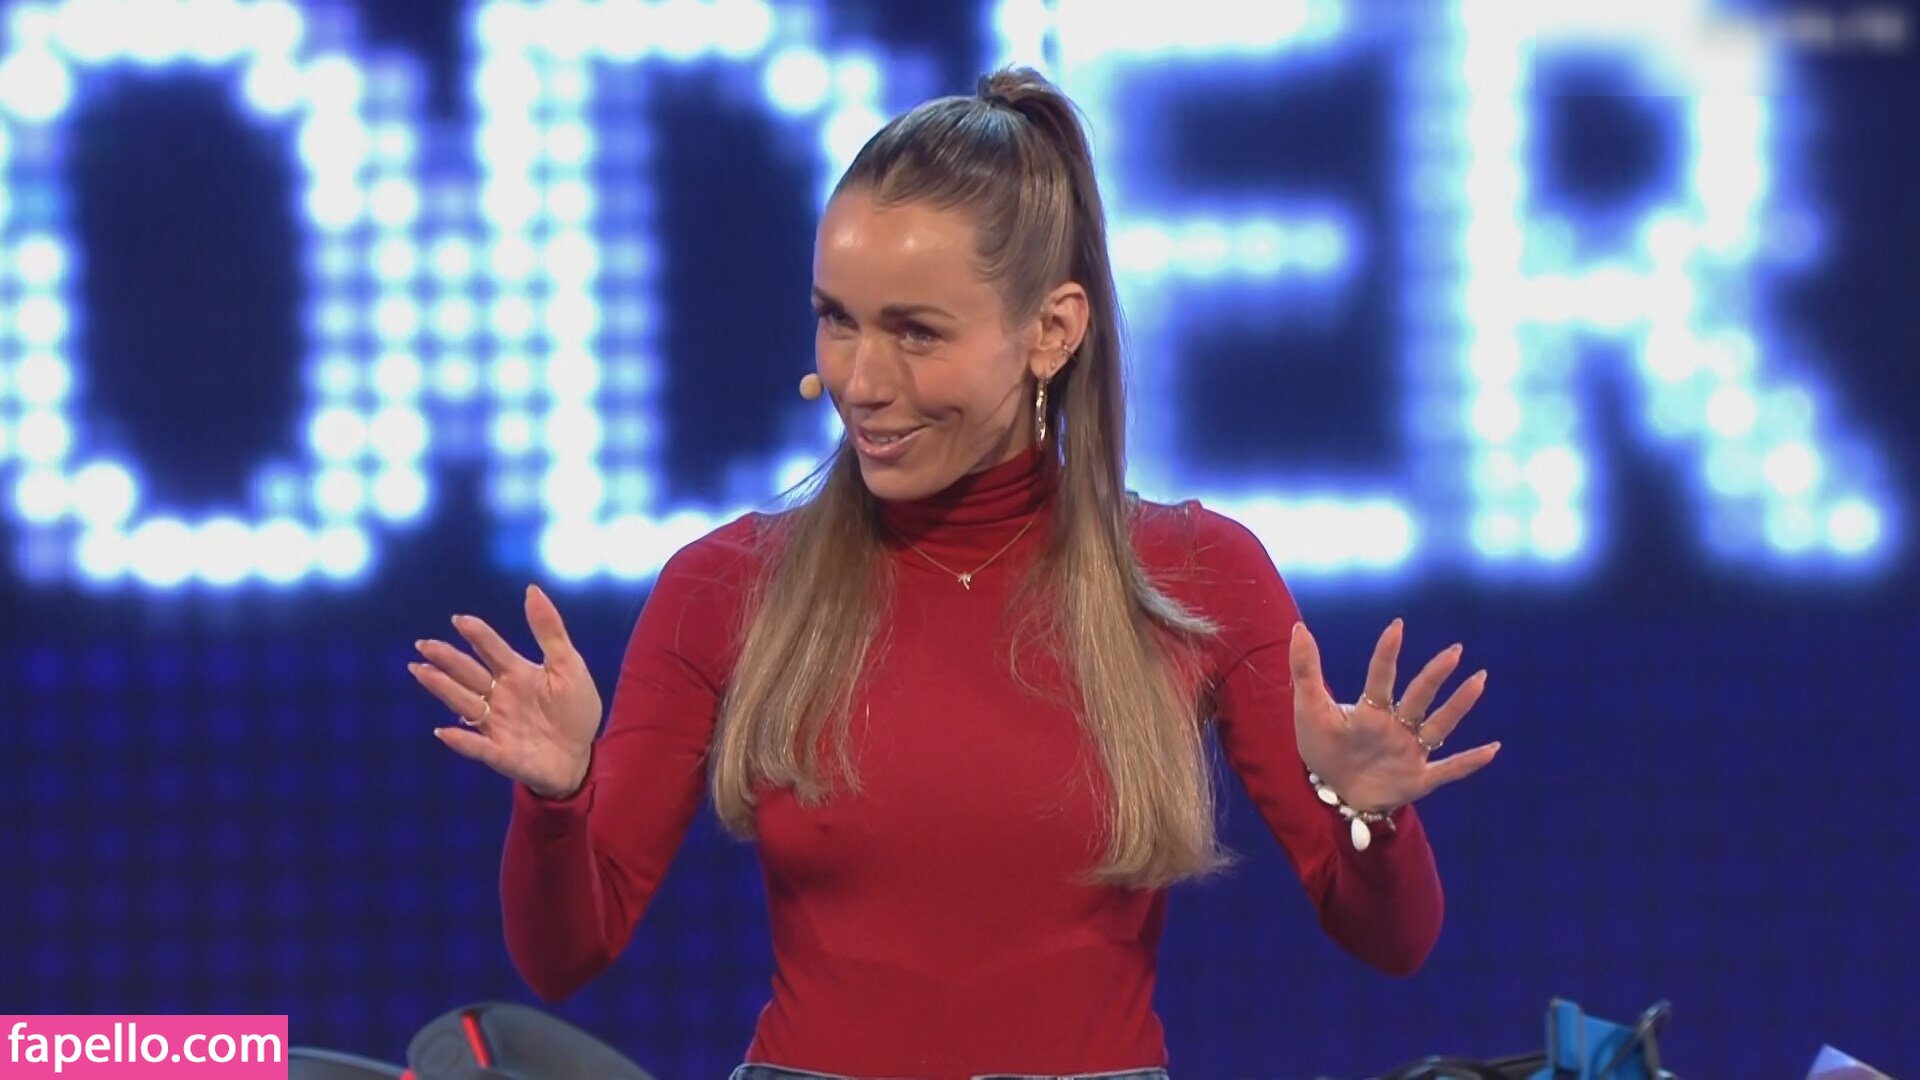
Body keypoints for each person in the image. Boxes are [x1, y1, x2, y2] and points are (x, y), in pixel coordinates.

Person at [406, 66, 1500, 1080]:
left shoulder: (1196, 575)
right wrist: (557, 800)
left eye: (916, 333)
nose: (861, 380)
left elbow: (1391, 940)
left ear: (1052, 331)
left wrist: (1370, 819)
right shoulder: (724, 587)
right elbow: (567, 953)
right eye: (837, 322)